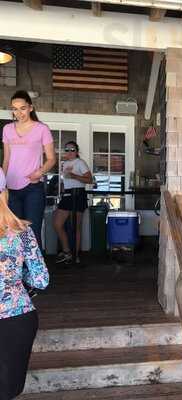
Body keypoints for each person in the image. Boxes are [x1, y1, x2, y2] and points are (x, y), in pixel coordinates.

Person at [0, 167, 49, 400]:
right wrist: (15, 278)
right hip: (18, 318)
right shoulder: (23, 231)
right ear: (5, 193)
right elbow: (41, 279)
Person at [2, 90, 56, 248]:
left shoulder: (42, 129)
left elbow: (52, 159)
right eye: (14, 109)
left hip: (33, 188)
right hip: (10, 189)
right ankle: (17, 271)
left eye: (22, 108)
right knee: (13, 233)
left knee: (32, 232)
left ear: (31, 108)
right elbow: (6, 160)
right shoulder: (7, 129)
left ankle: (35, 272)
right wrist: (2, 185)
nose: (18, 113)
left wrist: (39, 172)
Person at [53, 141, 92, 264]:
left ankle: (76, 255)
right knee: (57, 224)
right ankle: (67, 252)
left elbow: (89, 179)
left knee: (76, 226)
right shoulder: (64, 164)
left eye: (72, 149)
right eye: (67, 149)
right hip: (67, 195)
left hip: (79, 194)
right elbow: (65, 181)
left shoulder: (80, 162)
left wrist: (75, 176)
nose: (69, 152)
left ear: (76, 151)